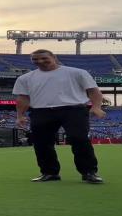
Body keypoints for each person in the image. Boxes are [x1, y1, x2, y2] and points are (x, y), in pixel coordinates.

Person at [13, 49, 106, 184]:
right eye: (35, 59)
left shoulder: (76, 72)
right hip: (41, 111)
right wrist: (20, 115)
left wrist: (96, 106)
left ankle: (89, 172)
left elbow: (93, 91)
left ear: (54, 57)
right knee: (42, 143)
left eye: (44, 58)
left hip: (73, 109)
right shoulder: (25, 78)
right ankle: (49, 172)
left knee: (79, 139)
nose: (40, 61)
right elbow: (23, 98)